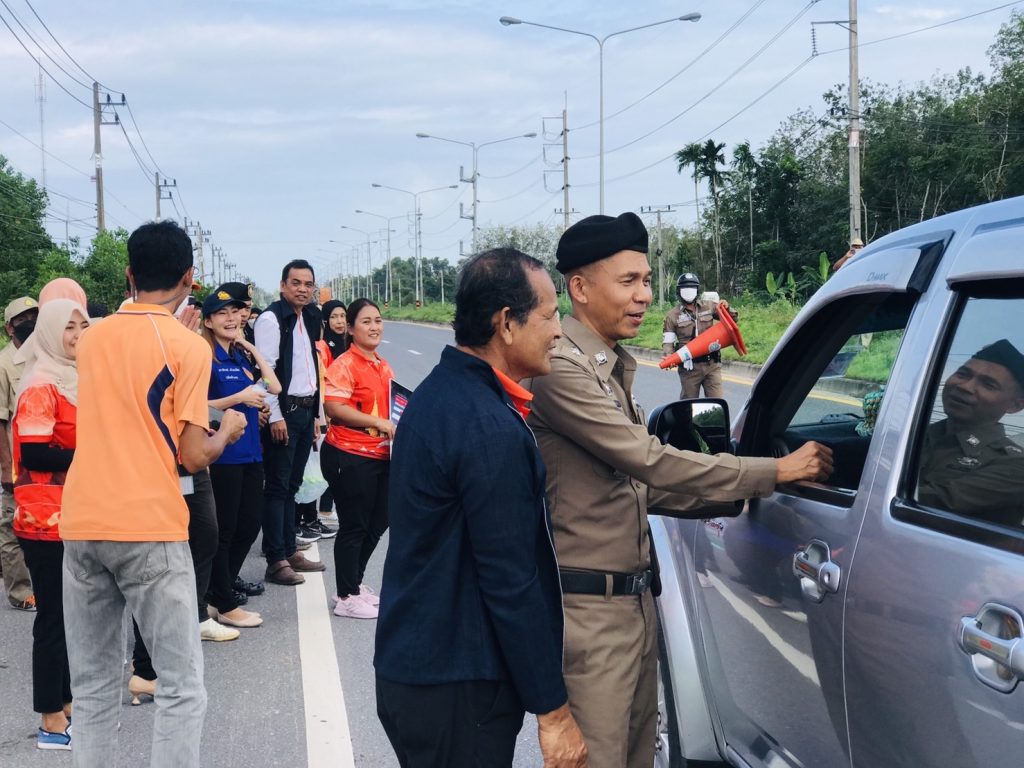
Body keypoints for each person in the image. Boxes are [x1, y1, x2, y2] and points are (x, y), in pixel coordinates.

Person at [526, 212, 833, 768]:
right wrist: (773, 471)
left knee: (637, 756)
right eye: (628, 281)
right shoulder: (562, 369)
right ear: (580, 288)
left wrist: (737, 496)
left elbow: (634, 489)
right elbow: (648, 460)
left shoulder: (608, 365)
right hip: (590, 615)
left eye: (647, 281)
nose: (644, 295)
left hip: (634, 603)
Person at [375, 249, 587, 768]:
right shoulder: (486, 426)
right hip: (456, 682)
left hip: (421, 668)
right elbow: (510, 577)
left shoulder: (442, 395)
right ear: (506, 324)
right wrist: (553, 712)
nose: (558, 331)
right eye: (549, 316)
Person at [59, 220, 247, 767]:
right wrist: (228, 430)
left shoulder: (91, 339)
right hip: (149, 524)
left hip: (82, 521)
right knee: (180, 686)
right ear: (190, 276)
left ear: (128, 273)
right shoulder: (188, 347)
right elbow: (193, 454)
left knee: (92, 687)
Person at [12, 298, 88, 750]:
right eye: (68, 327)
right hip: (44, 518)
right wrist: (94, 455)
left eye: (83, 326)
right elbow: (36, 452)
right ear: (48, 333)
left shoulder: (74, 377)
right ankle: (50, 720)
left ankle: (68, 703)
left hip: (75, 512)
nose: (78, 335)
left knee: (72, 616)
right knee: (55, 619)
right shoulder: (41, 384)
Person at [202, 288, 283, 629]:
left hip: (251, 452)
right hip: (222, 455)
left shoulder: (239, 356)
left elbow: (274, 387)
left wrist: (250, 347)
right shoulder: (205, 358)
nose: (232, 318)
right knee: (225, 530)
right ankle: (223, 602)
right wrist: (240, 397)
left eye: (236, 312)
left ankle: (218, 592)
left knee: (249, 526)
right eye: (222, 313)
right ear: (208, 321)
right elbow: (197, 407)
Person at [254, 260, 325, 586]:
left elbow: (311, 367)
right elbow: (266, 371)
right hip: (284, 412)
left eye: (308, 284)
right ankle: (276, 559)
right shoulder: (271, 319)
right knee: (278, 486)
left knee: (292, 486)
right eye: (296, 283)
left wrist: (316, 415)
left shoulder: (309, 316)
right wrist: (276, 415)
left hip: (305, 411)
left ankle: (289, 549)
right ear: (283, 285)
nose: (302, 289)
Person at [321, 298, 393, 619]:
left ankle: (355, 583)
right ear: (350, 329)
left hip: (381, 455)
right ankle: (346, 595)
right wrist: (378, 422)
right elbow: (334, 407)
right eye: (366, 322)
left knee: (378, 522)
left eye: (377, 320)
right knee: (355, 525)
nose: (374, 327)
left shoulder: (382, 364)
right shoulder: (345, 365)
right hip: (348, 455)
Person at [918, 339, 1024, 524]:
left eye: (988, 385)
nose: (965, 386)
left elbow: (928, 502)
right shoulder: (910, 435)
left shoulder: (1015, 464)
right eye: (962, 374)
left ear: (1015, 406)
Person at [0, 296, 39, 611]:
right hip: (18, 463)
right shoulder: (3, 363)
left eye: (34, 316)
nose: (30, 323)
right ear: (9, 327)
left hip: (47, 459)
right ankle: (21, 590)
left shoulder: (45, 356)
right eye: (23, 319)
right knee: (12, 525)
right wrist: (5, 467)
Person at [661, 272, 737, 399]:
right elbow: (668, 341)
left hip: (712, 365)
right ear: (679, 291)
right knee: (688, 404)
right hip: (689, 368)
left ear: (697, 290)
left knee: (717, 402)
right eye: (685, 288)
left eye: (692, 287)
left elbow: (732, 319)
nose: (688, 291)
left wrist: (726, 308)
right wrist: (669, 356)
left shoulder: (709, 306)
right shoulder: (672, 316)